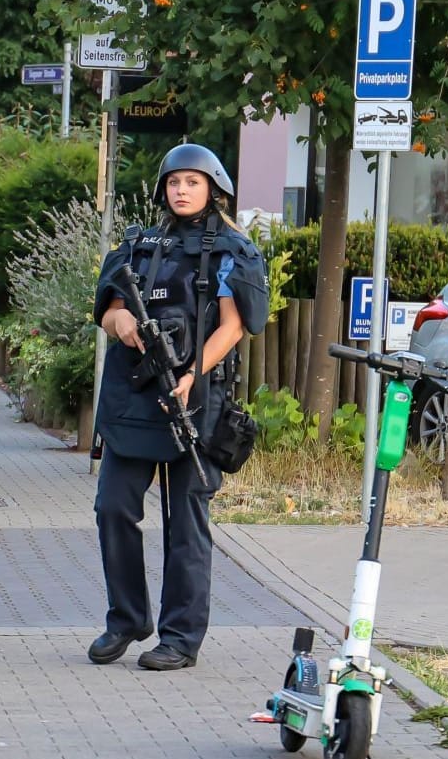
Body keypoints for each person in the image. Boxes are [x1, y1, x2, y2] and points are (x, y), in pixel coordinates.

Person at [87, 143, 268, 671]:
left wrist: (191, 375)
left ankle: (180, 638)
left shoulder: (233, 247)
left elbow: (235, 325)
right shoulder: (140, 245)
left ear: (213, 188)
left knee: (185, 520)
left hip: (197, 398)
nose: (182, 190)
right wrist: (126, 327)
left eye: (192, 182)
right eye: (174, 182)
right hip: (134, 399)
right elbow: (110, 313)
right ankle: (126, 619)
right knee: (113, 506)